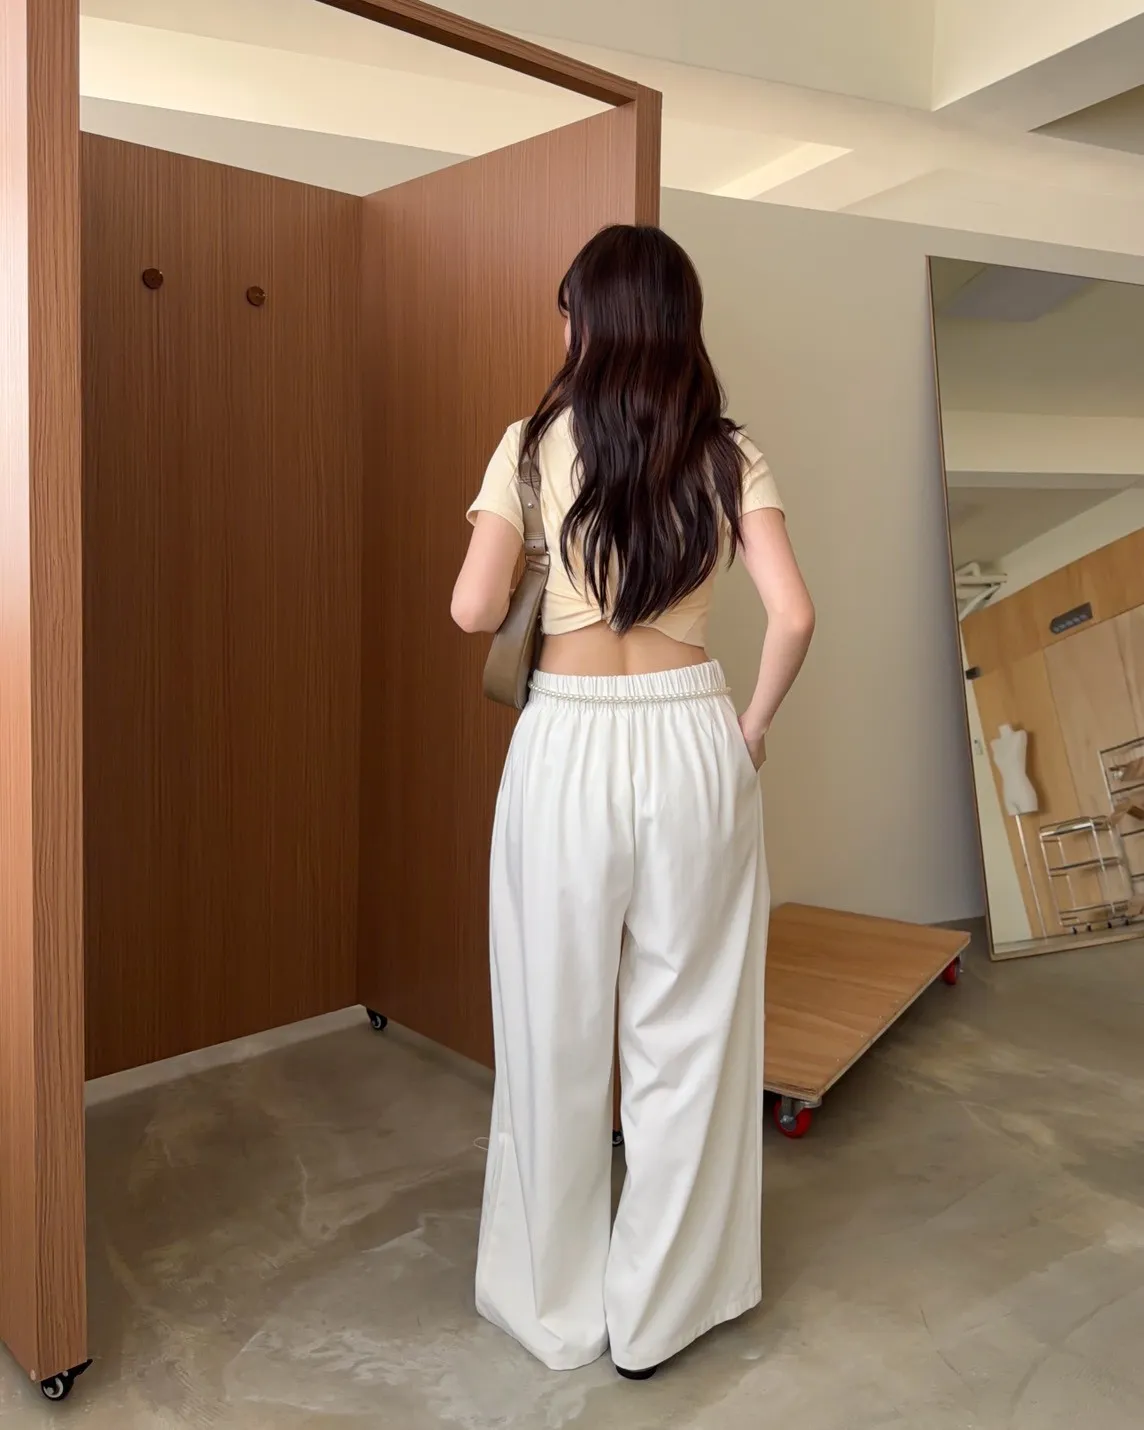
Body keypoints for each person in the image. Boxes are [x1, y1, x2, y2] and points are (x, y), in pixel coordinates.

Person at [450, 224, 815, 1379]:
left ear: (591, 317)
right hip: (693, 733)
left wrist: (533, 547)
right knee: (690, 1030)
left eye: (569, 309)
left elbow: (471, 612)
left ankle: (551, 1306)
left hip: (565, 739)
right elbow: (795, 614)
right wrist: (749, 727)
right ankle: (662, 1310)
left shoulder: (528, 443)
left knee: (549, 1023)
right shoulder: (726, 450)